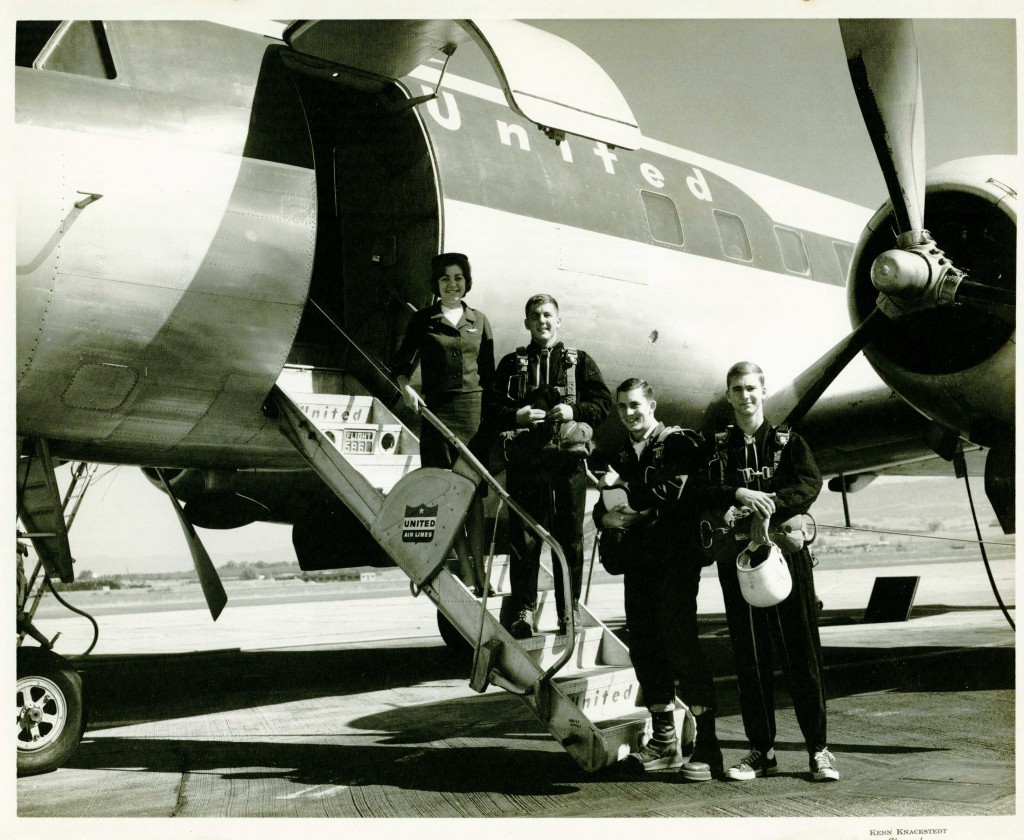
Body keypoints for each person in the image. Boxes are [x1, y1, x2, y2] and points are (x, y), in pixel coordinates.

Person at [696, 361, 837, 783]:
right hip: (739, 562)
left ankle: (819, 751)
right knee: (750, 657)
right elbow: (703, 489)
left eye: (751, 388)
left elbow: (809, 484)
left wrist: (769, 503)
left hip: (784, 558)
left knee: (802, 655)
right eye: (737, 390)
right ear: (728, 396)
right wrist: (738, 493)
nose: (745, 396)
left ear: (763, 391)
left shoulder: (787, 441)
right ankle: (761, 750)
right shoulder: (717, 447)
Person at [595, 379, 723, 780]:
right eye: (622, 407)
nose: (629, 413)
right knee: (645, 648)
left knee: (682, 647)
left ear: (652, 403)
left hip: (673, 562)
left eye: (635, 405)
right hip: (638, 563)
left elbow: (673, 489)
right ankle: (665, 742)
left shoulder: (679, 442)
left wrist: (625, 490)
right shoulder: (619, 452)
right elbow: (606, 504)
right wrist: (606, 517)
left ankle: (708, 748)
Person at [489, 294, 611, 638]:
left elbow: (602, 405)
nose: (541, 321)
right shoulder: (512, 365)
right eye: (534, 316)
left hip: (566, 465)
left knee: (570, 538)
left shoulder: (579, 362)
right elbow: (492, 408)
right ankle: (525, 611)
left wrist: (575, 412)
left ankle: (567, 611)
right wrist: (517, 415)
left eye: (547, 315)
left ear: (558, 321)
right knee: (523, 540)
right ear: (527, 323)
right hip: (527, 463)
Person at [393, 253, 493, 593]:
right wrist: (406, 387)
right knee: (445, 497)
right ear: (436, 285)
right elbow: (401, 364)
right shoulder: (423, 320)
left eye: (458, 277)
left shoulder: (479, 321)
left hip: (473, 414)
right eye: (445, 278)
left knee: (472, 496)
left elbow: (490, 375)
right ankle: (466, 571)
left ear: (467, 281)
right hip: (437, 414)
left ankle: (481, 572)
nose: (453, 284)